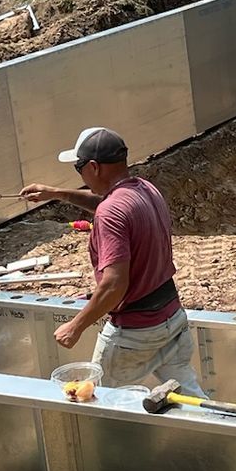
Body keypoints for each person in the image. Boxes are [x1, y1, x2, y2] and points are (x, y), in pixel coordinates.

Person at [19, 126, 208, 396]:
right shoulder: (145, 189)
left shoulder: (111, 213)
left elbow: (114, 284)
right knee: (189, 396)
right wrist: (57, 193)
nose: (81, 174)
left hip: (135, 332)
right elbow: (107, 203)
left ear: (94, 167)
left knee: (98, 401)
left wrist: (76, 327)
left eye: (79, 168)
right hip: (172, 318)